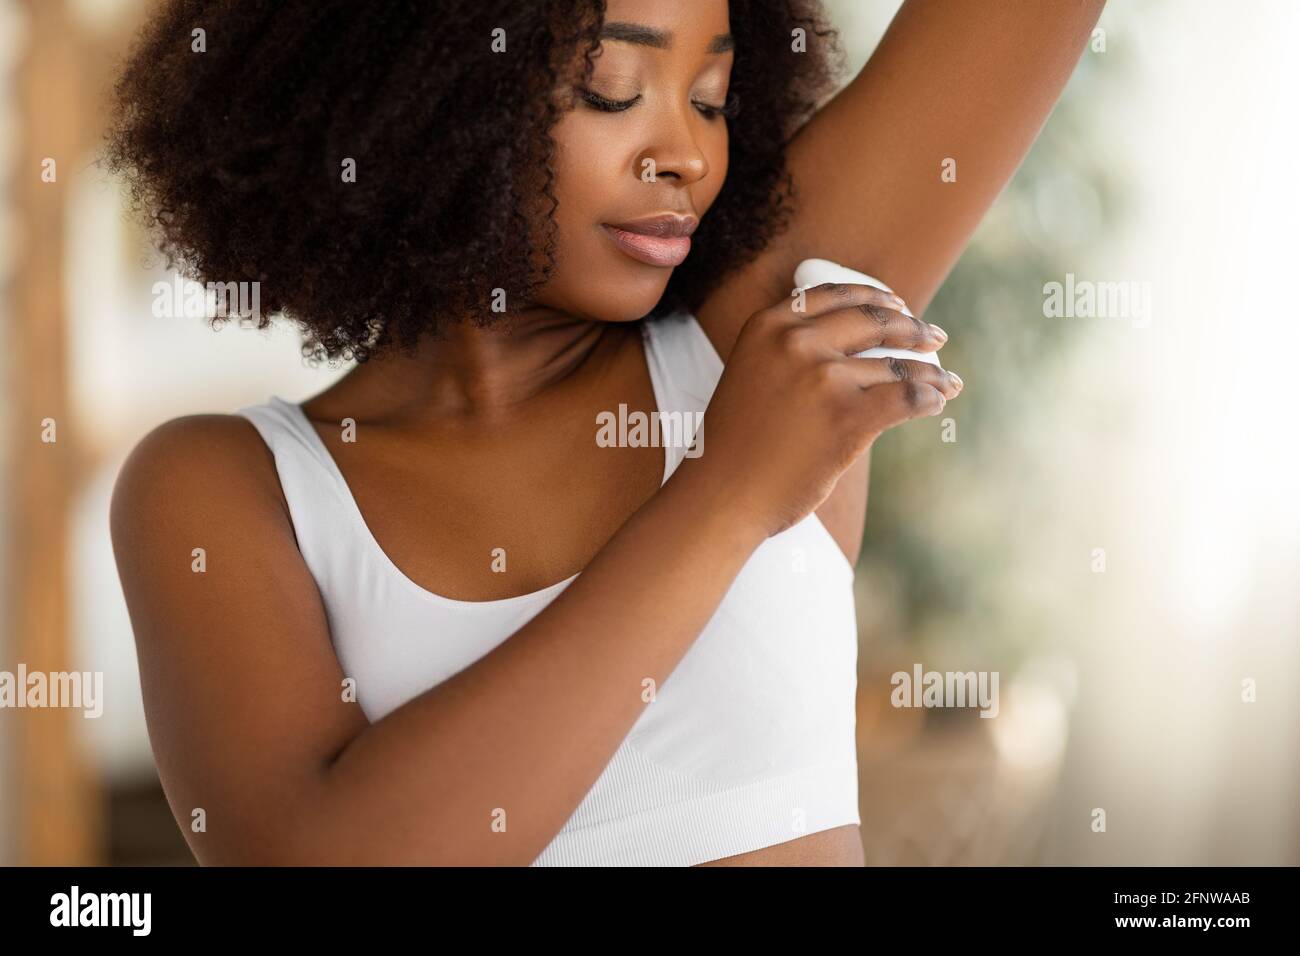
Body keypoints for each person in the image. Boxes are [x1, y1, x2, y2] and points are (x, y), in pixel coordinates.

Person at [108, 0, 1103, 866]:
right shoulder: (227, 488)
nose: (686, 153)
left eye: (710, 96)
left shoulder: (750, 328)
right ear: (423, 93)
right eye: (614, 89)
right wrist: (725, 497)